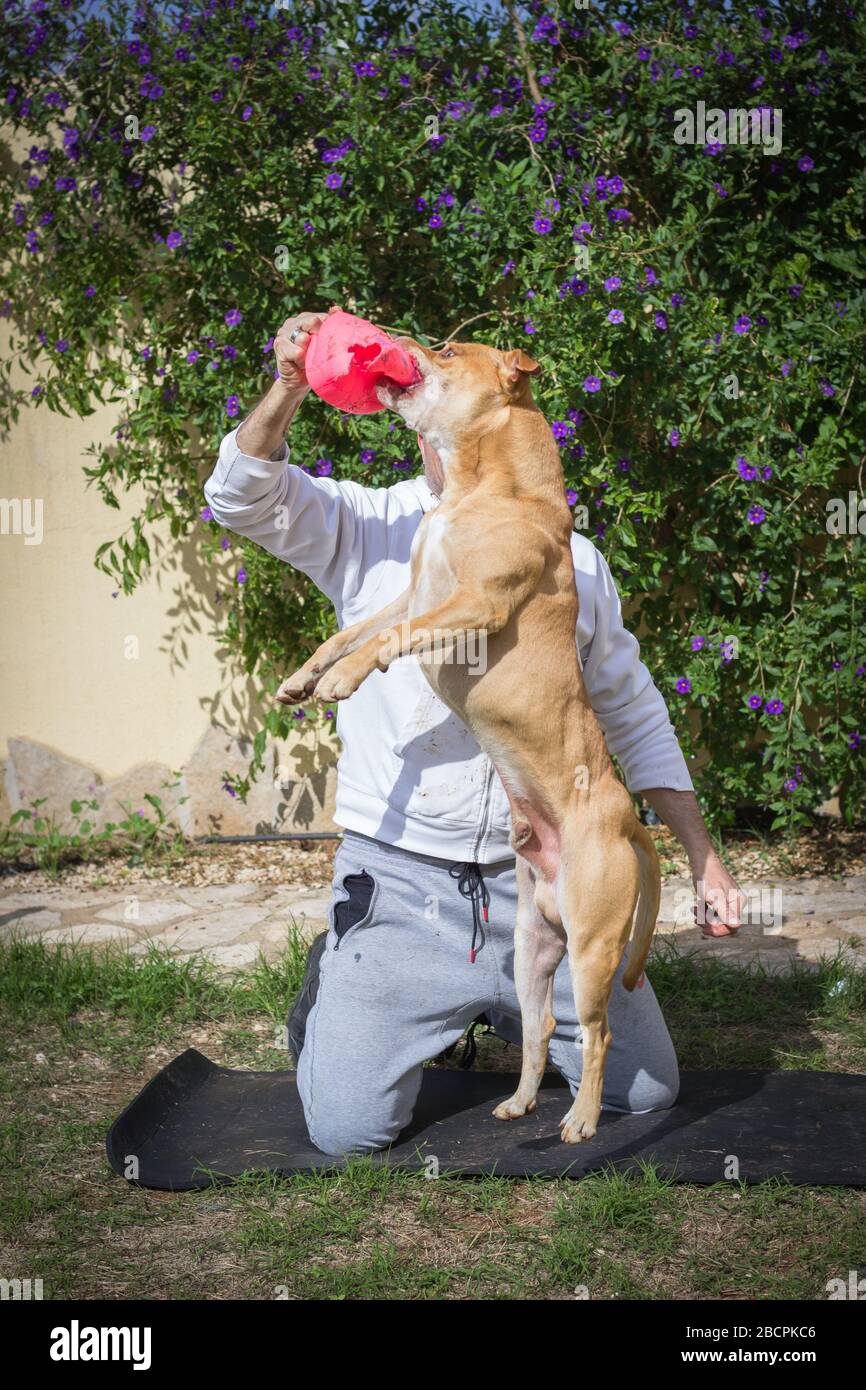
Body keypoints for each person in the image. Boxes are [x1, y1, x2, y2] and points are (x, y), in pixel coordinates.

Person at [204, 307, 744, 1156]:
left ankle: (501, 1016)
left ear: (491, 400)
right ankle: (345, 984)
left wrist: (704, 861)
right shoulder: (364, 522)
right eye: (412, 376)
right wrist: (287, 382)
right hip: (407, 879)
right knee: (348, 1131)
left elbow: (636, 711)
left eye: (440, 366)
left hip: (536, 866)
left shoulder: (570, 554)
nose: (416, 374)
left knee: (648, 1093)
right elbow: (237, 494)